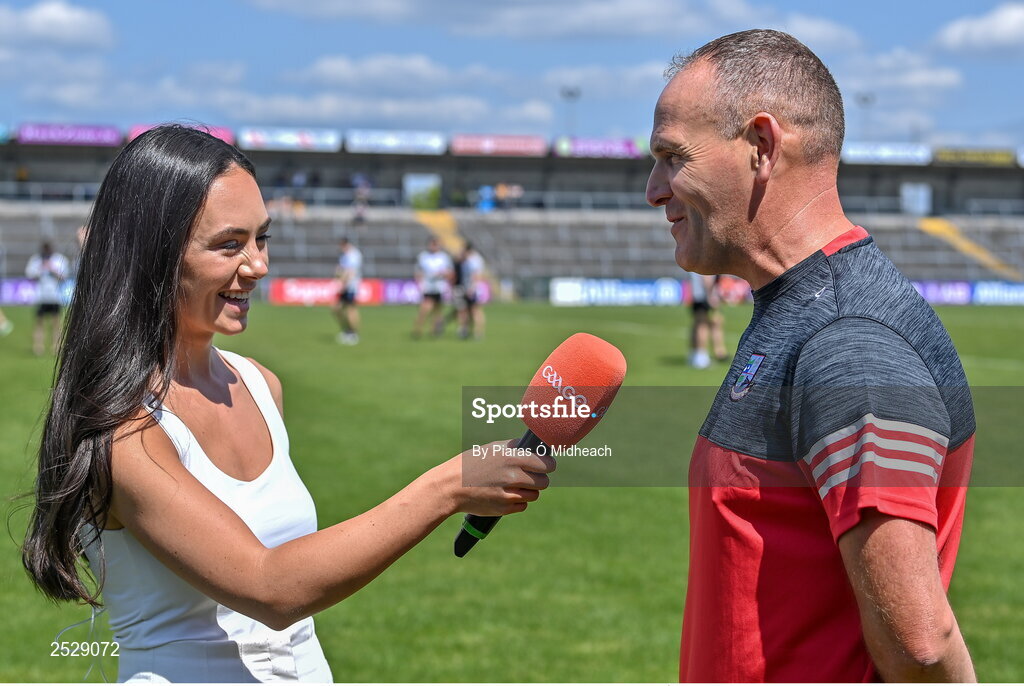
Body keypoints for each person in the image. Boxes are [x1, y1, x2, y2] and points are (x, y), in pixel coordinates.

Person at [21, 125, 555, 683]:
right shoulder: (123, 428)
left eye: (262, 238)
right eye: (230, 244)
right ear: (153, 255)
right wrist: (449, 487)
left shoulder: (260, 385)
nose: (258, 265)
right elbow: (270, 587)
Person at [646, 30, 975, 682]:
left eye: (671, 157)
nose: (654, 190)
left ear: (761, 148)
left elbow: (921, 644)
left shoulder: (848, 340)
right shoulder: (797, 308)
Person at [25, 240, 69, 356]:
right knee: (39, 322)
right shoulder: (36, 260)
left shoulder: (60, 259)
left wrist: (52, 269)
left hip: (55, 296)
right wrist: (40, 269)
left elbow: (64, 277)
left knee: (56, 323)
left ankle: (56, 346)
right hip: (41, 296)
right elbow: (29, 275)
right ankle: (38, 347)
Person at [412, 237, 453, 339]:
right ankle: (418, 330)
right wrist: (419, 283)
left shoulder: (444, 257)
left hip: (439, 287)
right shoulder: (423, 256)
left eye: (436, 244)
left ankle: (434, 331)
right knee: (424, 309)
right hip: (428, 287)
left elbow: (450, 273)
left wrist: (444, 274)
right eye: (432, 244)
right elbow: (418, 272)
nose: (434, 246)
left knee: (437, 311)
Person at [686, 272, 726, 369]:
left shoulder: (695, 260)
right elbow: (706, 277)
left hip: (697, 296)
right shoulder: (705, 260)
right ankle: (701, 358)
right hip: (703, 296)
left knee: (697, 324)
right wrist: (710, 296)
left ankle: (694, 355)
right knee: (703, 326)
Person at [333, 236, 362, 345]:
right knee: (336, 309)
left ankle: (353, 333)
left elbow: (351, 272)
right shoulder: (344, 255)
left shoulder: (354, 255)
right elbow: (340, 269)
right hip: (344, 285)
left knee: (351, 309)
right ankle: (348, 330)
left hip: (350, 286)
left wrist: (343, 283)